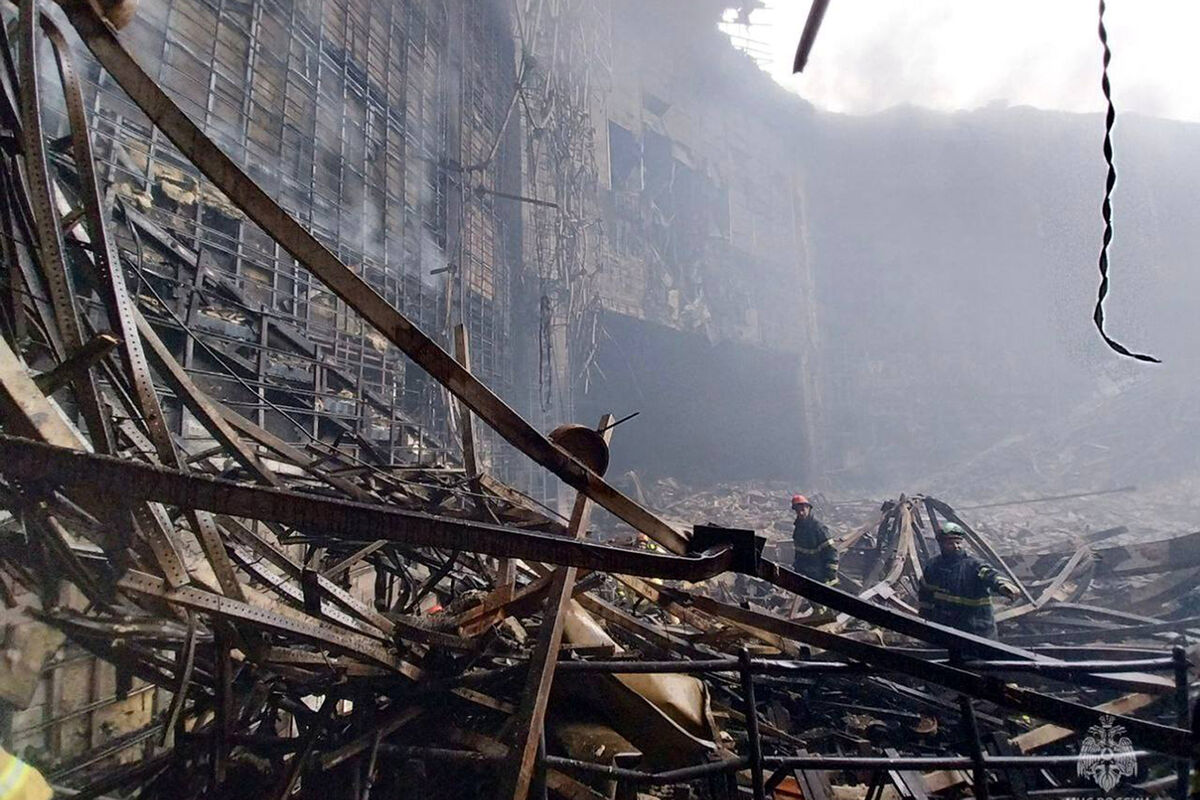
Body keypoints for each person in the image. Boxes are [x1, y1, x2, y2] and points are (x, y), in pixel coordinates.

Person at [918, 522, 1018, 643]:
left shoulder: (973, 565)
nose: (956, 546)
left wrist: (1003, 585)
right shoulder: (933, 566)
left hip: (977, 630)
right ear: (941, 544)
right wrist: (926, 621)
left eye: (958, 542)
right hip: (947, 629)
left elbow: (990, 574)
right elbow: (925, 595)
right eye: (950, 543)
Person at [790, 494, 838, 587]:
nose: (800, 513)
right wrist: (797, 568)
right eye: (798, 511)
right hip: (807, 573)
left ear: (808, 508)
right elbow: (799, 552)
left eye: (803, 509)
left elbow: (831, 552)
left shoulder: (818, 528)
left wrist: (830, 575)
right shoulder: (799, 528)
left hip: (821, 575)